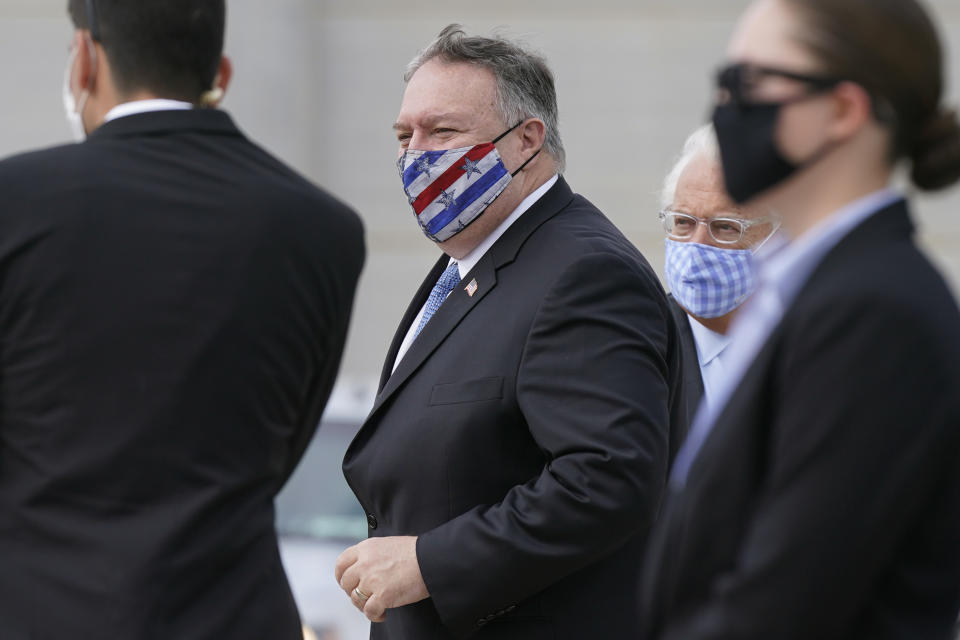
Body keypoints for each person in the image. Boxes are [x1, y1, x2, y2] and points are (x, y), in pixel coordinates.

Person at [0, 1, 364, 638]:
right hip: (233, 615)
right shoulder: (323, 230)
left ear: (84, 59)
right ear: (220, 72)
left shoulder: (16, 203)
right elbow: (289, 434)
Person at [336, 25, 686, 639]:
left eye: (442, 132)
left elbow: (609, 478)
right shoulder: (470, 260)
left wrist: (428, 562)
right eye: (403, 135)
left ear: (527, 140)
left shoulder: (583, 271)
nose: (417, 154)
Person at [640, 0, 960, 638]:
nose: (727, 107)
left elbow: (782, 598)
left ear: (843, 110)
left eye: (753, 85)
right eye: (727, 81)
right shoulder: (812, 289)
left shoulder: (874, 312)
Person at [659, 124, 779, 414]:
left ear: (778, 237)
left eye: (726, 227)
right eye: (683, 222)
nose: (697, 245)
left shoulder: (817, 339)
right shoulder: (639, 341)